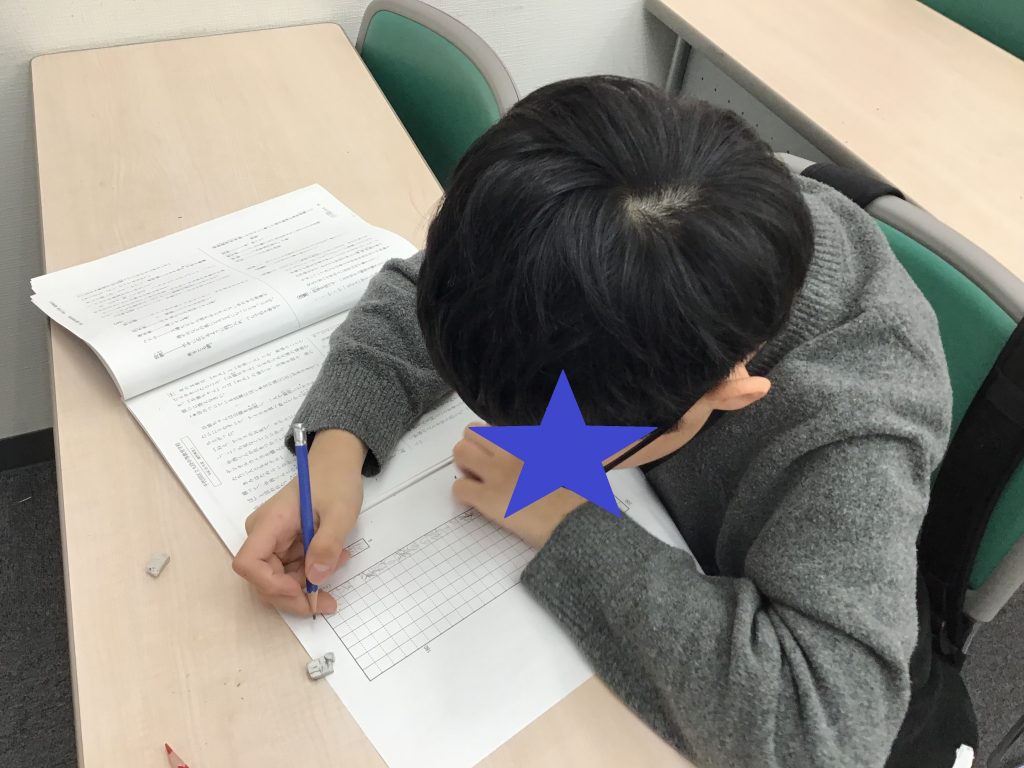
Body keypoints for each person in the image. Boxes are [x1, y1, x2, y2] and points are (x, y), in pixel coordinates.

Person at [233, 76, 963, 767]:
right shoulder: (607, 216)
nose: (531, 446)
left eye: (563, 437)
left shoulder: (855, 423)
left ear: (730, 392)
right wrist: (338, 445)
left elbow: (823, 736)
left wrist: (561, 516)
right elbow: (433, 287)